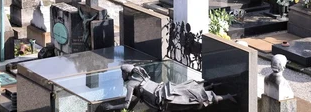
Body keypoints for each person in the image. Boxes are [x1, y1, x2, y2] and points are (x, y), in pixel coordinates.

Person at [99, 64, 235, 111]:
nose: (122, 75)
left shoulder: (130, 84)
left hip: (163, 99)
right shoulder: (140, 77)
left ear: (126, 73)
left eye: (122, 73)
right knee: (190, 90)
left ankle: (226, 96)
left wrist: (111, 107)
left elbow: (126, 105)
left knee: (194, 101)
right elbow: (135, 99)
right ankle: (213, 86)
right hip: (164, 89)